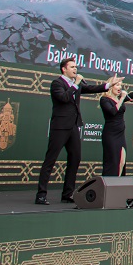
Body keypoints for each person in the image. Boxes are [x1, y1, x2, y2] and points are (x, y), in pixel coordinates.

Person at [34, 57, 116, 204]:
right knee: (50, 160)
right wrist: (76, 84)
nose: (75, 69)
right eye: (72, 67)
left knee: (75, 158)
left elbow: (91, 88)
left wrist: (109, 85)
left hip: (73, 126)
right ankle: (41, 194)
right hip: (60, 126)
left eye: (76, 67)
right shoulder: (57, 83)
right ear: (64, 69)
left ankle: (68, 193)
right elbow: (64, 98)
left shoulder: (76, 84)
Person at [99, 77, 133, 176]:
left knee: (122, 161)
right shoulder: (105, 99)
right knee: (113, 162)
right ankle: (110, 186)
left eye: (121, 85)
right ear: (111, 86)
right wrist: (122, 98)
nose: (120, 88)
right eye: (117, 85)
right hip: (111, 134)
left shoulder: (119, 99)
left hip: (120, 134)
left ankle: (117, 185)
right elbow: (113, 111)